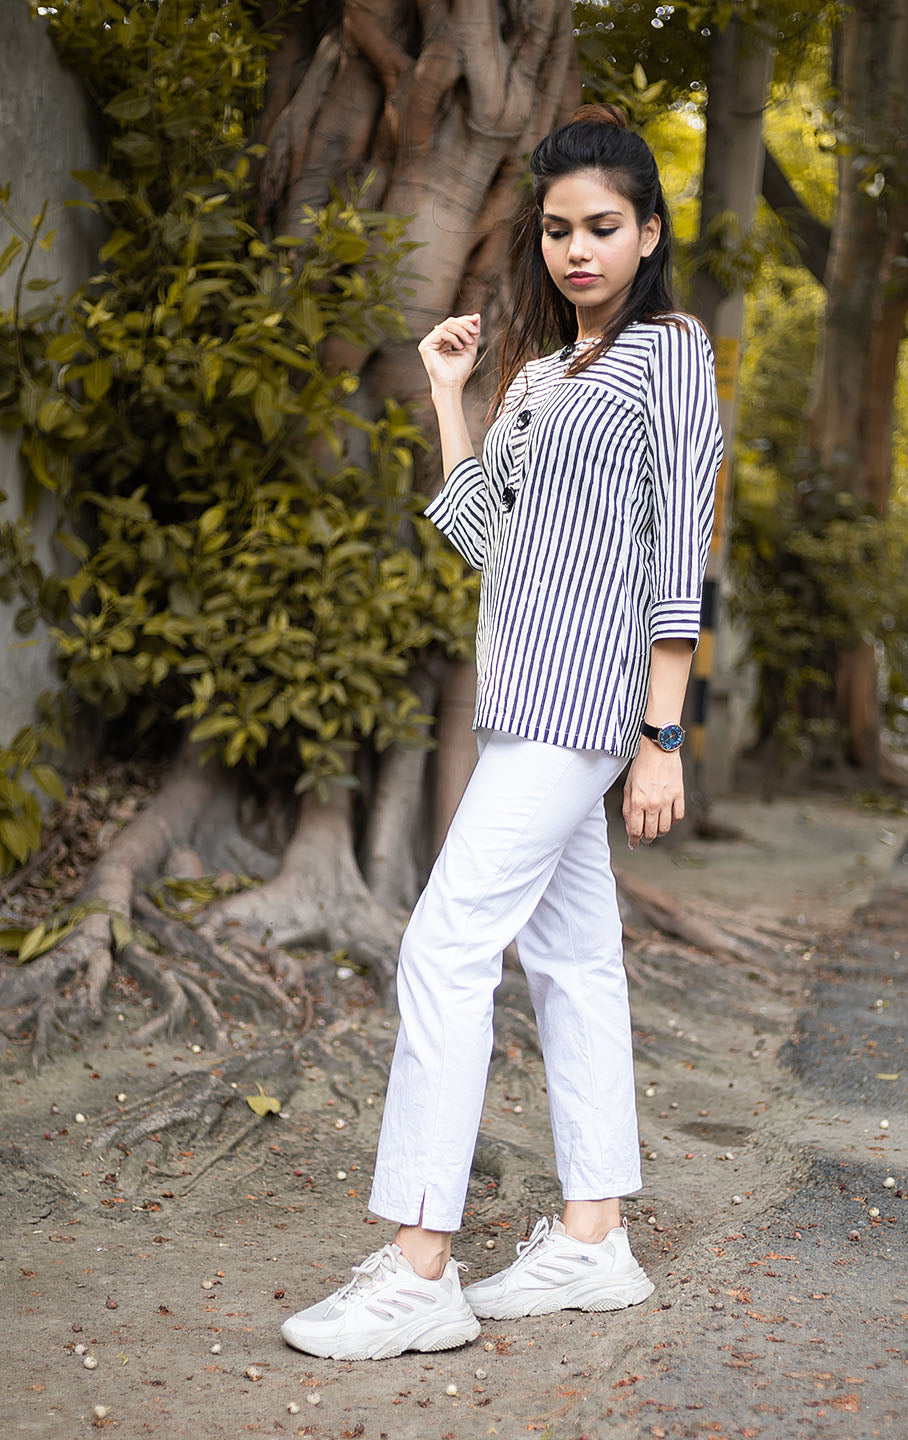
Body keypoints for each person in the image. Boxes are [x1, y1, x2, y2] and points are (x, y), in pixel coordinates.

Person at [280, 101, 724, 1363]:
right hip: (519, 693)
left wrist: (663, 734)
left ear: (646, 233)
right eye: (557, 232)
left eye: (602, 227)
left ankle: (421, 1262)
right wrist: (449, 393)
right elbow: (491, 538)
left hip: (587, 703)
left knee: (441, 947)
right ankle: (595, 1238)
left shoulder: (669, 354)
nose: (576, 250)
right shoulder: (542, 375)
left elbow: (680, 542)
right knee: (573, 961)